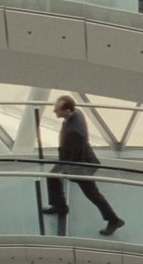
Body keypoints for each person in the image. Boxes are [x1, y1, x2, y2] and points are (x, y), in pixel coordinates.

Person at [41, 95, 124, 235]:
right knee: (52, 177)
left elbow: (77, 157)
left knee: (92, 194)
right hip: (69, 158)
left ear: (67, 111)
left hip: (80, 165)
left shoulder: (75, 132)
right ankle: (59, 205)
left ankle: (114, 220)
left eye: (57, 110)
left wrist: (67, 171)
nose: (54, 111)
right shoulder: (76, 113)